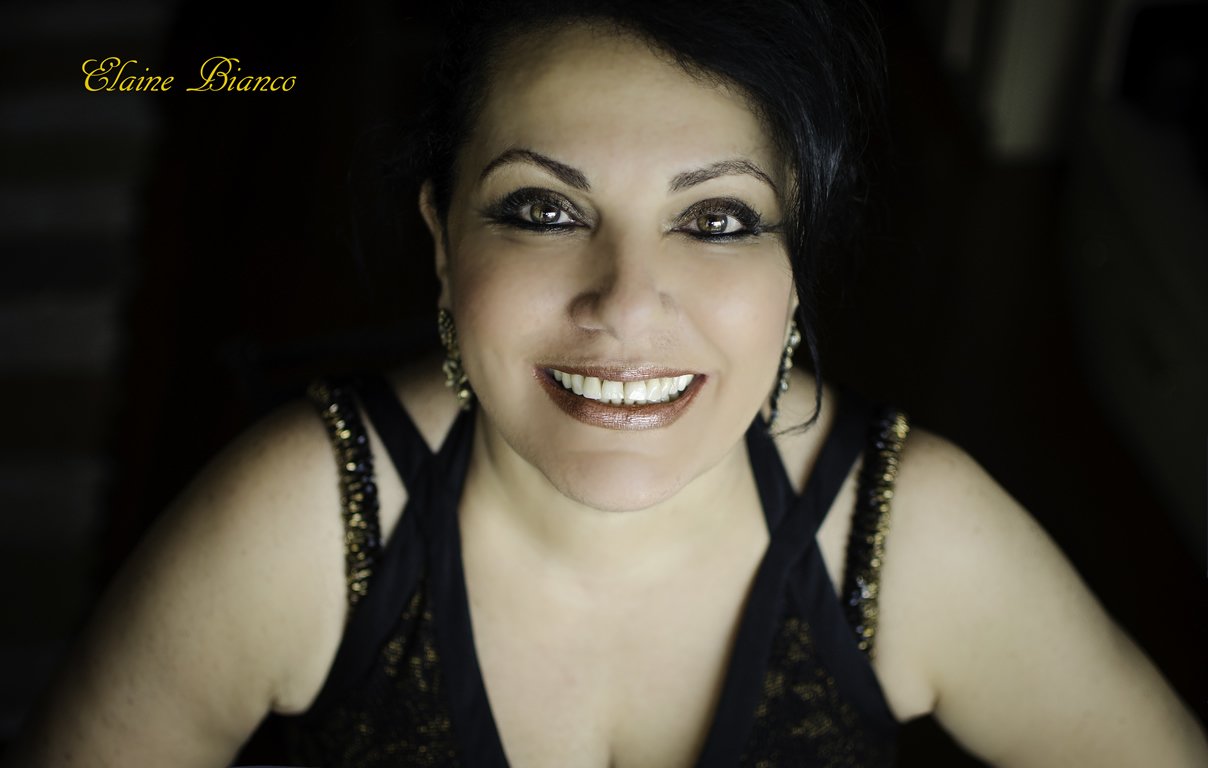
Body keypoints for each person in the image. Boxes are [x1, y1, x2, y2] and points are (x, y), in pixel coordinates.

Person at [7, 1, 1206, 766]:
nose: (626, 304)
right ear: (442, 243)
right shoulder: (301, 523)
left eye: (717, 218)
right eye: (542, 209)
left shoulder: (910, 540)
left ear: (793, 266)